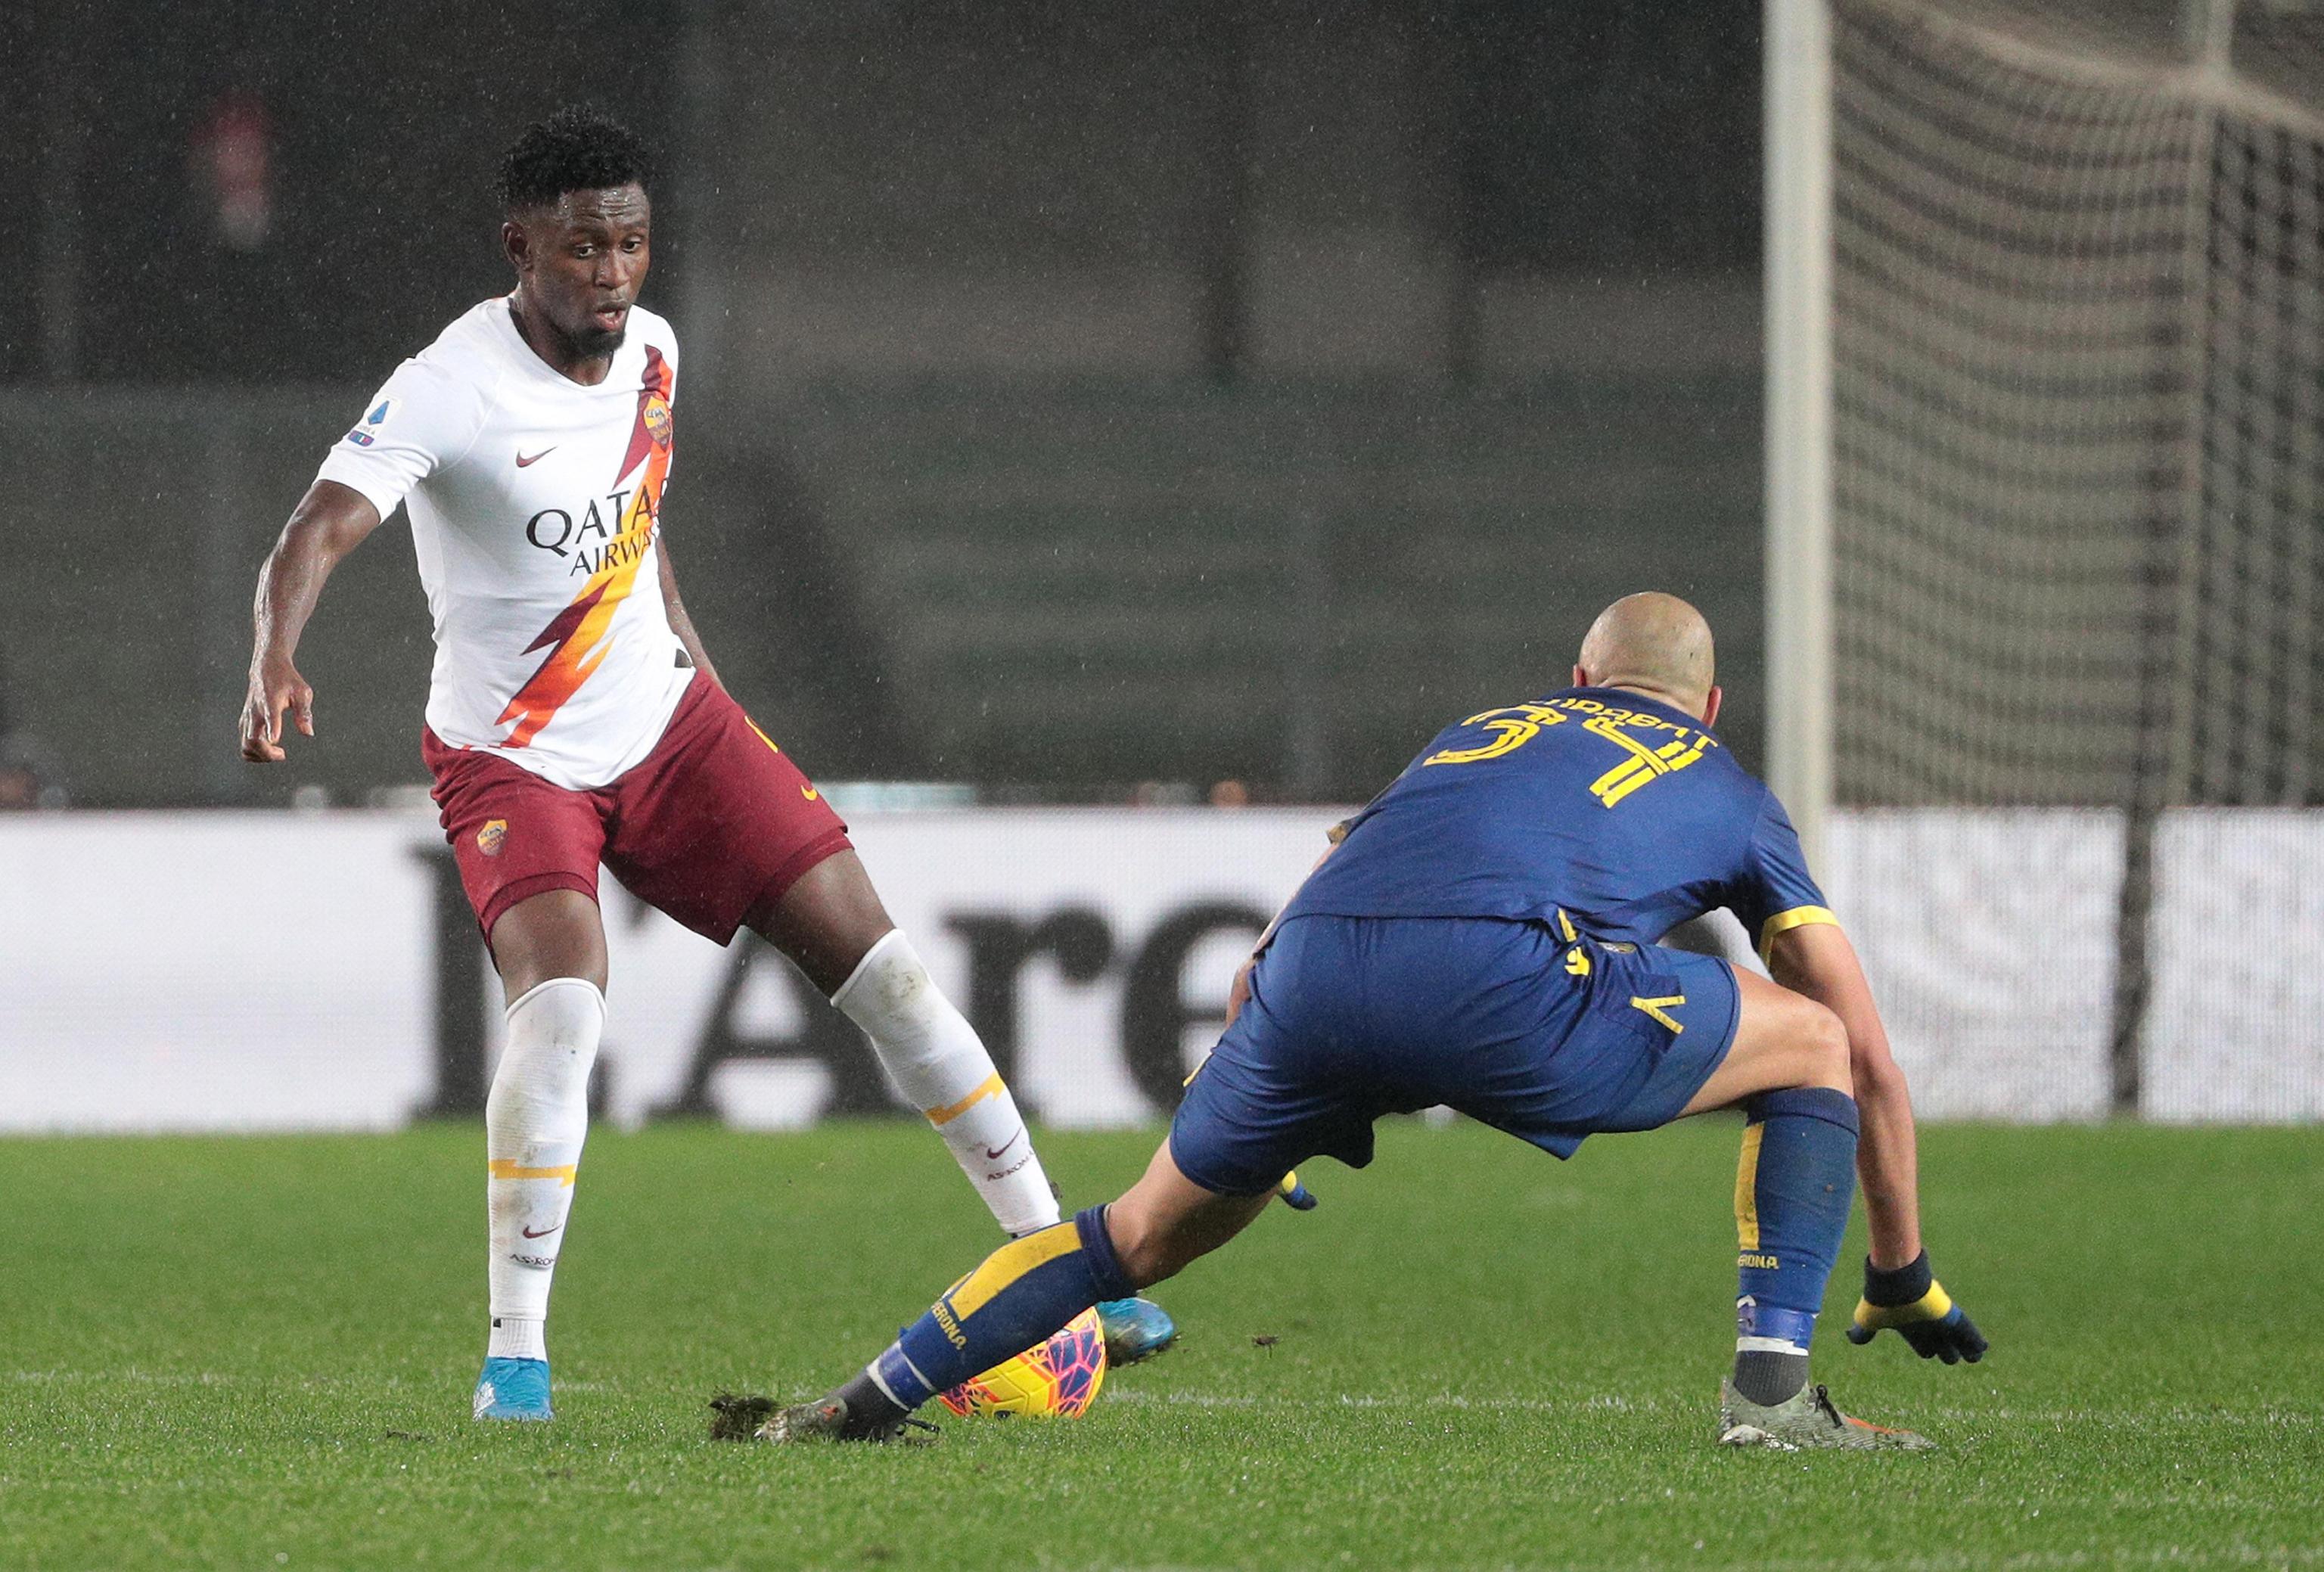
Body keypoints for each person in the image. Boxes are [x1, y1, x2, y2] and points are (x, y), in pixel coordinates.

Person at [235, 106, 1173, 1423]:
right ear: (520, 247)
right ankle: (516, 1359)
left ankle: (1068, 1268)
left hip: (670, 723)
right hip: (514, 758)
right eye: (584, 247)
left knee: (893, 976)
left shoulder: (657, 353)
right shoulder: (451, 383)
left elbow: (640, 532)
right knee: (562, 1010)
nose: (614, 272)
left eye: (632, 243)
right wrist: (276, 655)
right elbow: (317, 527)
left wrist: (709, 686)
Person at [753, 592, 1986, 1451]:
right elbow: (1866, 1054)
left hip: (1312, 972)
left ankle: (860, 1402)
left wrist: (1273, 1048)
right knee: (1810, 1042)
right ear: (1709, 703)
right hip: (1504, 980)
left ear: (1578, 682)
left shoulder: (1483, 731)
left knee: (1132, 1234)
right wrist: (1901, 1268)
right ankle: (1771, 1395)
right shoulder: (1730, 787)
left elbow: (1319, 892)